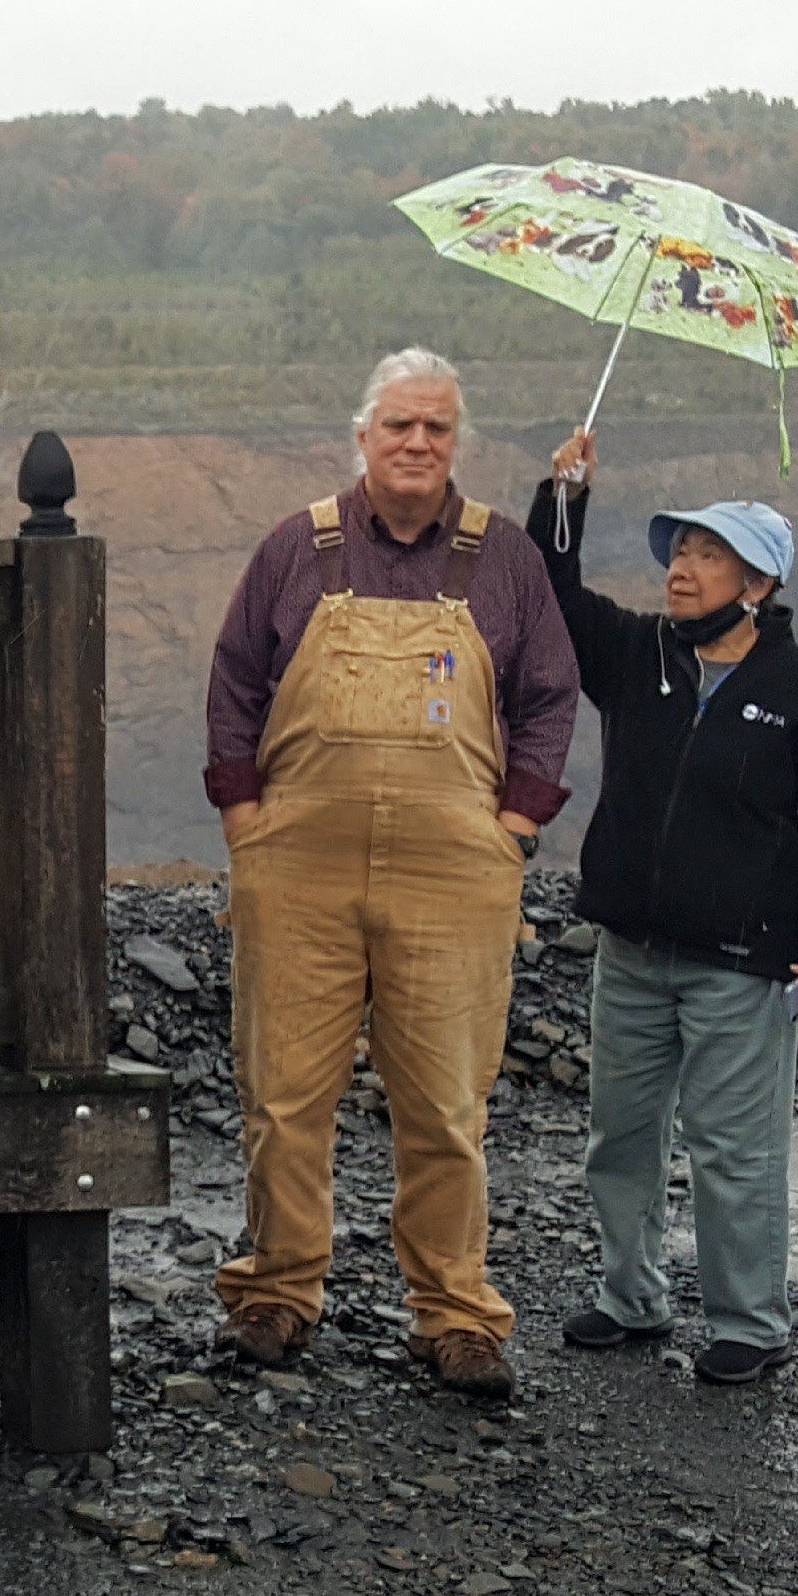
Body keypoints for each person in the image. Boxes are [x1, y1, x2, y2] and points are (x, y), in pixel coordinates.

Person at [201, 349, 578, 1398]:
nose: (417, 445)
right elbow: (234, 677)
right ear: (361, 436)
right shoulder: (296, 546)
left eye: (437, 429)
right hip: (298, 863)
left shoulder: (502, 558)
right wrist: (243, 815)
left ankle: (455, 1316)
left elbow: (549, 694)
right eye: (399, 427)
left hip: (455, 869)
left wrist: (513, 824)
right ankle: (275, 1294)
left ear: (457, 442)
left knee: (446, 1104)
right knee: (282, 1093)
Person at [528, 433, 798, 1384]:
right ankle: (629, 1299)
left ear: (759, 583)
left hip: (743, 964)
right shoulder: (640, 655)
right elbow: (552, 601)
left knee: (735, 1152)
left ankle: (748, 1324)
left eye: (706, 555)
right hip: (632, 950)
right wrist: (565, 495)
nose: (682, 569)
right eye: (678, 551)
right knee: (622, 1136)